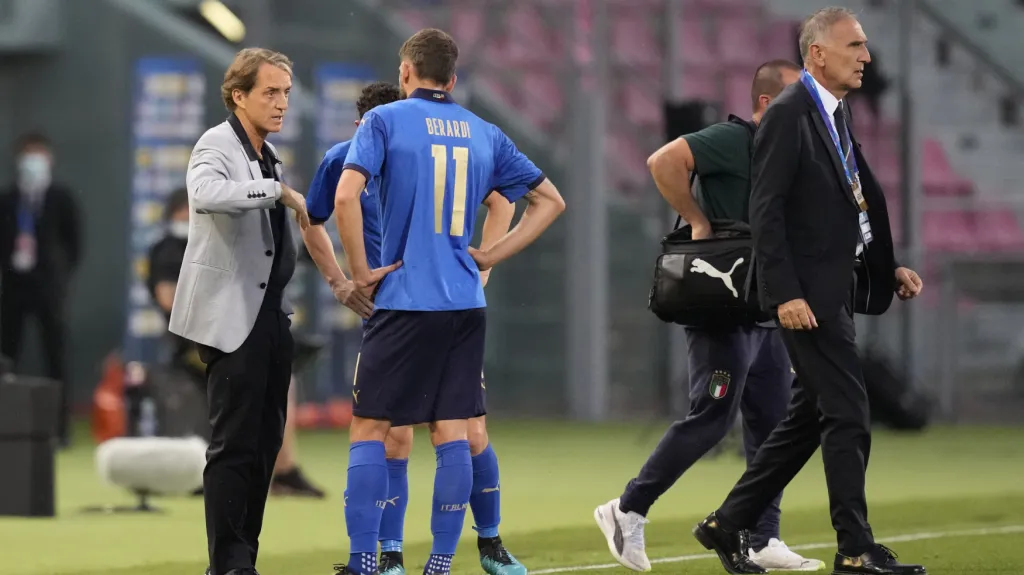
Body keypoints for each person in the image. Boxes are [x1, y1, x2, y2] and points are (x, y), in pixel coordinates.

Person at [691, 9, 926, 575]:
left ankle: (727, 522)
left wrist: (884, 265)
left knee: (808, 420)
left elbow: (846, 203)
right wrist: (784, 294)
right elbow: (766, 209)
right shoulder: (789, 113)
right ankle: (855, 548)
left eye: (864, 46)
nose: (866, 56)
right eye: (855, 45)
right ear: (817, 53)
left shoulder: (834, 112)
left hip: (833, 286)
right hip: (806, 297)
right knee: (849, 413)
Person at [330, 28, 565, 575]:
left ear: (405, 71)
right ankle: (440, 563)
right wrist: (491, 255)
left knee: (370, 428)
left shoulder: (383, 120)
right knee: (453, 431)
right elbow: (551, 201)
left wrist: (360, 273)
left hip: (403, 300)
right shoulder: (485, 131)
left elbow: (345, 197)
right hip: (463, 303)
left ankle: (365, 563)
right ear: (453, 80)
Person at [594, 60, 825, 573]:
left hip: (763, 307)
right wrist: (696, 220)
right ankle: (627, 508)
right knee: (712, 417)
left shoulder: (785, 153)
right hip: (722, 303)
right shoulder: (734, 139)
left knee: (772, 425)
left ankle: (763, 537)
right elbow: (663, 160)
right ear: (766, 103)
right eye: (797, 99)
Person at [301, 81, 524, 575]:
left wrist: (485, 264)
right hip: (400, 309)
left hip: (425, 306)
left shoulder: (418, 152)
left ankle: (487, 541)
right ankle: (393, 557)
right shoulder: (343, 159)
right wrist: (340, 282)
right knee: (404, 436)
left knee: (463, 432)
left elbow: (502, 201)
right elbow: (311, 218)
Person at [170, 47, 311, 575]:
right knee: (234, 445)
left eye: (286, 93)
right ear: (238, 95)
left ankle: (242, 558)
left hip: (271, 314)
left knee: (266, 445)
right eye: (270, 92)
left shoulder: (268, 153)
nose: (281, 103)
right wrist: (277, 191)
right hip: (232, 318)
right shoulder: (216, 142)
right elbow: (206, 193)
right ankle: (228, 564)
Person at [147, 188, 325, 499]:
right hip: (195, 345)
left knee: (280, 377)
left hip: (233, 335)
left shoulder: (219, 244)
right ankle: (256, 473)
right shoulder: (169, 249)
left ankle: (281, 471)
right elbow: (169, 300)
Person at [0, 132, 82, 447]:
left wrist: (58, 273)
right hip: (13, 287)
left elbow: (74, 243)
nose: (33, 161)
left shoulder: (61, 198)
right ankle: (7, 425)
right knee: (8, 355)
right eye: (27, 155)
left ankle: (59, 429)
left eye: (38, 155)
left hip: (49, 288)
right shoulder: (8, 199)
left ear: (49, 159)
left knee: (55, 356)